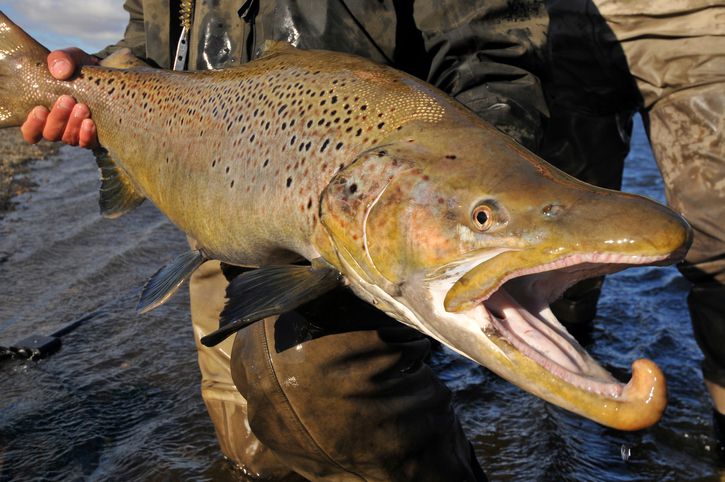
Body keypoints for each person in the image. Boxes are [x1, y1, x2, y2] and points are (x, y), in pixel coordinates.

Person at [20, 0, 724, 477]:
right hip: (216, 171)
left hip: (337, 177)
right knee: (252, 440)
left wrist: (487, 184)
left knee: (309, 384)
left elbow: (490, 49)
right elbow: (149, 38)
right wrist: (99, 83)